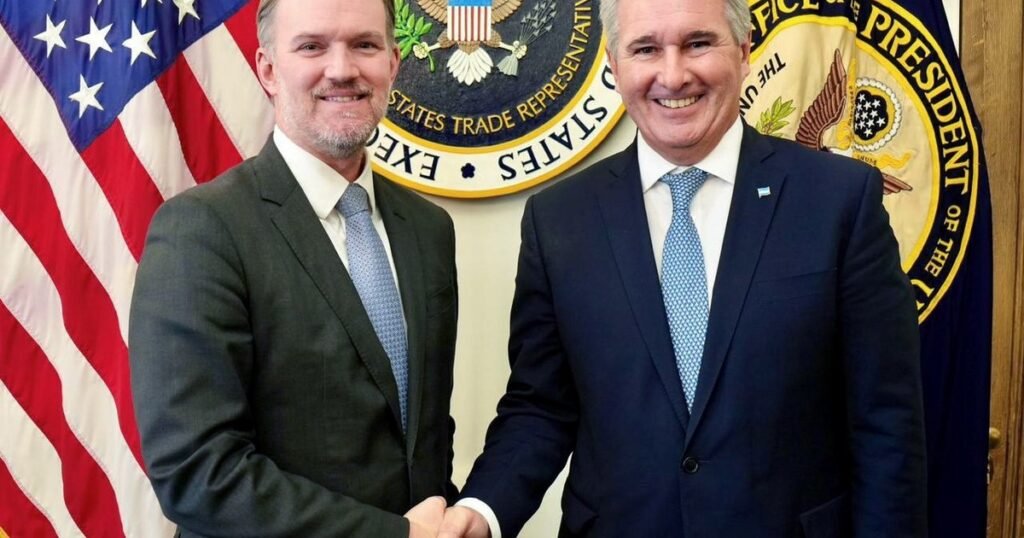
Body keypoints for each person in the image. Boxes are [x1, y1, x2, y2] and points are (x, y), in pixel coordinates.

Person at [439, 0, 927, 535]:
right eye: (646, 49)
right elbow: (541, 407)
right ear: (614, 65)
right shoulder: (559, 219)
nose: (673, 75)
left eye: (697, 43)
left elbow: (886, 421)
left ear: (743, 51)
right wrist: (479, 512)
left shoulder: (839, 200)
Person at [129, 0, 458, 536]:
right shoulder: (202, 230)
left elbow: (423, 432)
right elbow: (198, 472)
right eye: (311, 46)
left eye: (364, 45)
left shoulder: (428, 229)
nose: (341, 69)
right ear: (267, 69)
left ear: (393, 64)